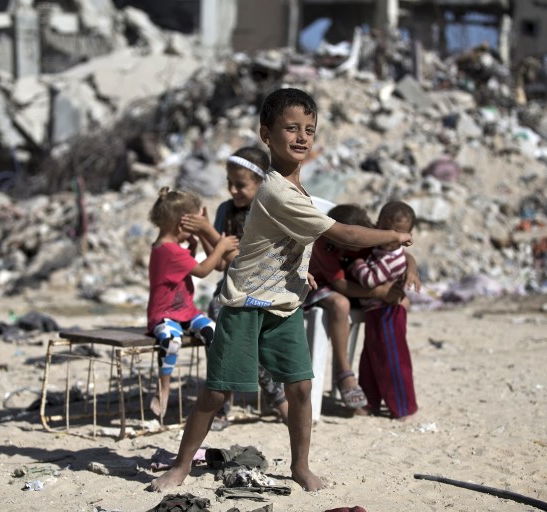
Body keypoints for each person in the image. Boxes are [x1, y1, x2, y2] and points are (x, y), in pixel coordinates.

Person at [150, 87, 412, 493]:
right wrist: (390, 236)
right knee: (217, 392)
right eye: (291, 128)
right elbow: (342, 232)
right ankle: (181, 466)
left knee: (302, 387)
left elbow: (289, 244)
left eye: (309, 129)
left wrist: (301, 271)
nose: (302, 137)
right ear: (266, 135)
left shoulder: (300, 192)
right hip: (246, 304)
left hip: (285, 305)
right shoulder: (274, 189)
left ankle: (300, 467)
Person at [182, 146, 289, 430]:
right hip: (230, 289)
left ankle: (275, 399)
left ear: (260, 183)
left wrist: (207, 230)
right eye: (229, 183)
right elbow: (219, 263)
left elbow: (240, 259)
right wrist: (205, 233)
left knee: (240, 330)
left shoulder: (266, 211)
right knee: (218, 322)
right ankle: (223, 403)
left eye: (240, 185)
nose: (233, 190)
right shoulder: (225, 211)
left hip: (263, 289)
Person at [146, 187, 239, 418]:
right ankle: (163, 388)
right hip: (164, 314)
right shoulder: (170, 251)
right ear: (182, 225)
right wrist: (221, 246)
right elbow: (203, 270)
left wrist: (193, 246)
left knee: (212, 332)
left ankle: (216, 388)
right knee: (172, 339)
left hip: (185, 311)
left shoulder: (168, 246)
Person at [305, 204, 405, 410]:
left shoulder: (370, 234)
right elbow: (340, 285)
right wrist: (379, 292)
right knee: (341, 304)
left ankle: (381, 373)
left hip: (359, 284)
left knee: (402, 302)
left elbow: (400, 253)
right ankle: (344, 373)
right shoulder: (325, 242)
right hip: (320, 285)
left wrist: (411, 271)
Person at [349, 200, 420, 419]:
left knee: (391, 358)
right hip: (376, 313)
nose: (391, 239)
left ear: (407, 235)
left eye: (397, 234)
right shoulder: (380, 250)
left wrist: (356, 264)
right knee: (371, 358)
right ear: (377, 226)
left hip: (388, 313)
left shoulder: (391, 257)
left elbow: (370, 280)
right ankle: (370, 402)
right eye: (386, 232)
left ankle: (402, 406)